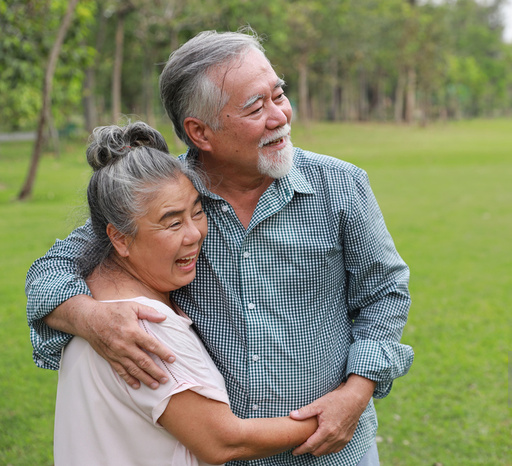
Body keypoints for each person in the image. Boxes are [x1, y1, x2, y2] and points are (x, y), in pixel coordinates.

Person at [27, 28, 413, 465]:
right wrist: (90, 317)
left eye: (278, 95)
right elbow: (48, 272)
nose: (279, 116)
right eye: (255, 107)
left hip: (334, 451)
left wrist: (356, 393)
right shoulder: (162, 196)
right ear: (200, 131)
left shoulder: (341, 186)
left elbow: (386, 293)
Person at [54, 121, 317, 465]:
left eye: (197, 211)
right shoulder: (142, 329)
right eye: (173, 222)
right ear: (119, 238)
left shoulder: (92, 300)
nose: (194, 234)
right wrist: (327, 419)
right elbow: (223, 442)